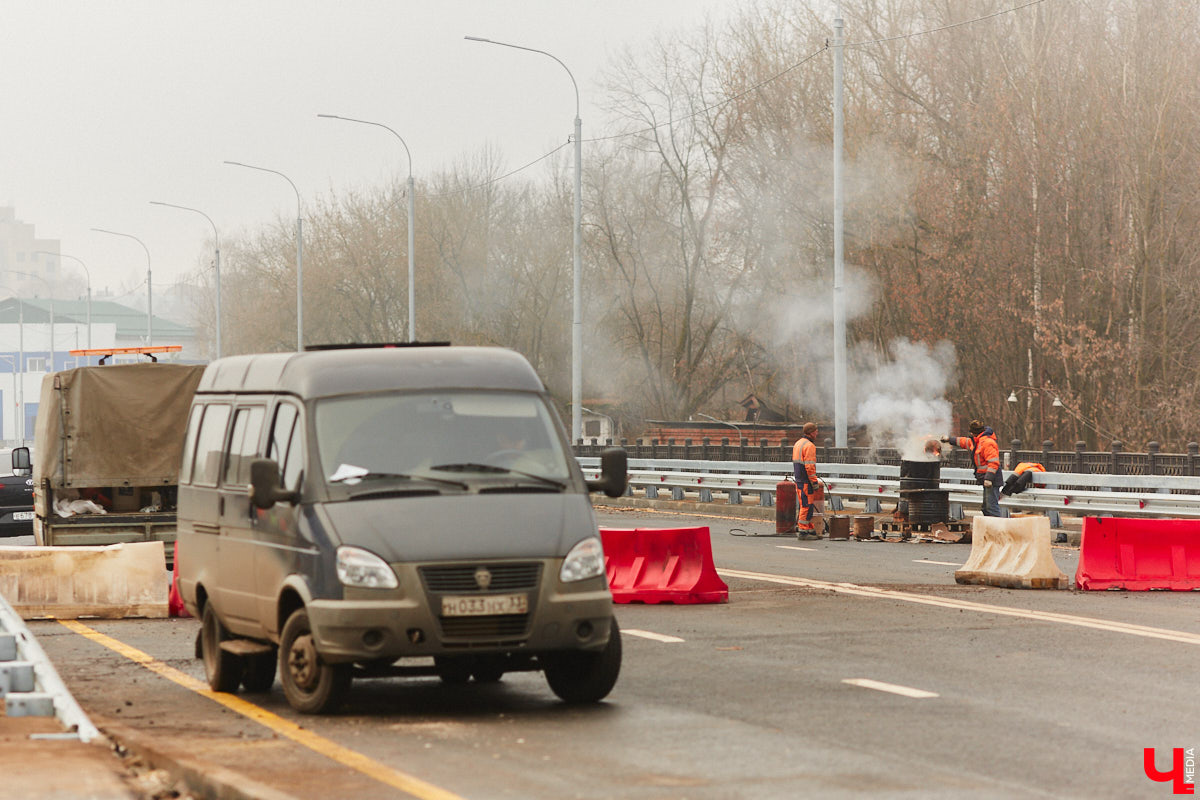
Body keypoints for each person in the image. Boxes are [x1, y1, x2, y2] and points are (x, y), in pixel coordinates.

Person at [941, 419, 1002, 516]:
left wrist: (989, 478)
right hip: (986, 478)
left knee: (991, 507)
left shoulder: (987, 443)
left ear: (974, 432)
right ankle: (989, 528)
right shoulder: (976, 441)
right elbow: (962, 441)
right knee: (986, 507)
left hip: (992, 479)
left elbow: (993, 462)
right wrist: (949, 439)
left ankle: (997, 528)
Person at [792, 422, 826, 540]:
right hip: (806, 481)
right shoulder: (810, 446)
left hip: (799, 480)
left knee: (805, 504)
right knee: (806, 506)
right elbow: (810, 467)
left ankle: (809, 527)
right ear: (811, 432)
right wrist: (814, 482)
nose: (817, 433)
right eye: (816, 431)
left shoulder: (798, 443)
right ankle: (803, 531)